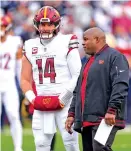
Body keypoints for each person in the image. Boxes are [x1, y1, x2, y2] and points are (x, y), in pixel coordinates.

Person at [20, 6, 81, 151]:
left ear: (57, 25)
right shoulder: (30, 46)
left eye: (49, 24)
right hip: (41, 103)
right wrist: (33, 99)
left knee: (70, 143)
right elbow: (24, 79)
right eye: (42, 24)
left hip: (65, 102)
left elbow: (77, 74)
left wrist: (64, 98)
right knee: (41, 144)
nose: (46, 28)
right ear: (37, 24)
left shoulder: (67, 41)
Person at [65, 27, 129, 151]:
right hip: (87, 118)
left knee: (100, 148)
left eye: (85, 39)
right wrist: (72, 113)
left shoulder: (115, 57)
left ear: (97, 39)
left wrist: (112, 109)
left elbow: (120, 85)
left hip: (105, 117)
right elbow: (78, 90)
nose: (82, 43)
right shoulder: (88, 61)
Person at [0, 15, 23, 151]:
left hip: (9, 85)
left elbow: (19, 67)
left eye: (2, 26)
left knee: (14, 115)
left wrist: (22, 86)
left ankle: (18, 147)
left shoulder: (15, 41)